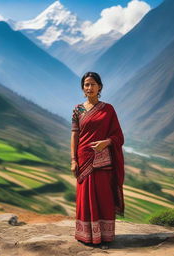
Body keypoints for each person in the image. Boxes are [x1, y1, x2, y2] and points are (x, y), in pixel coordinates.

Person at [71, 71, 125, 249]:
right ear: (82, 88)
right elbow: (75, 135)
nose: (89, 87)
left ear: (100, 86)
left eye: (93, 84)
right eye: (86, 84)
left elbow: (118, 135)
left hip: (103, 160)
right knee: (85, 198)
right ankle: (86, 235)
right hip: (84, 158)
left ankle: (104, 236)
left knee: (103, 196)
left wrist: (107, 142)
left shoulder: (108, 109)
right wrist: (73, 159)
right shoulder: (77, 109)